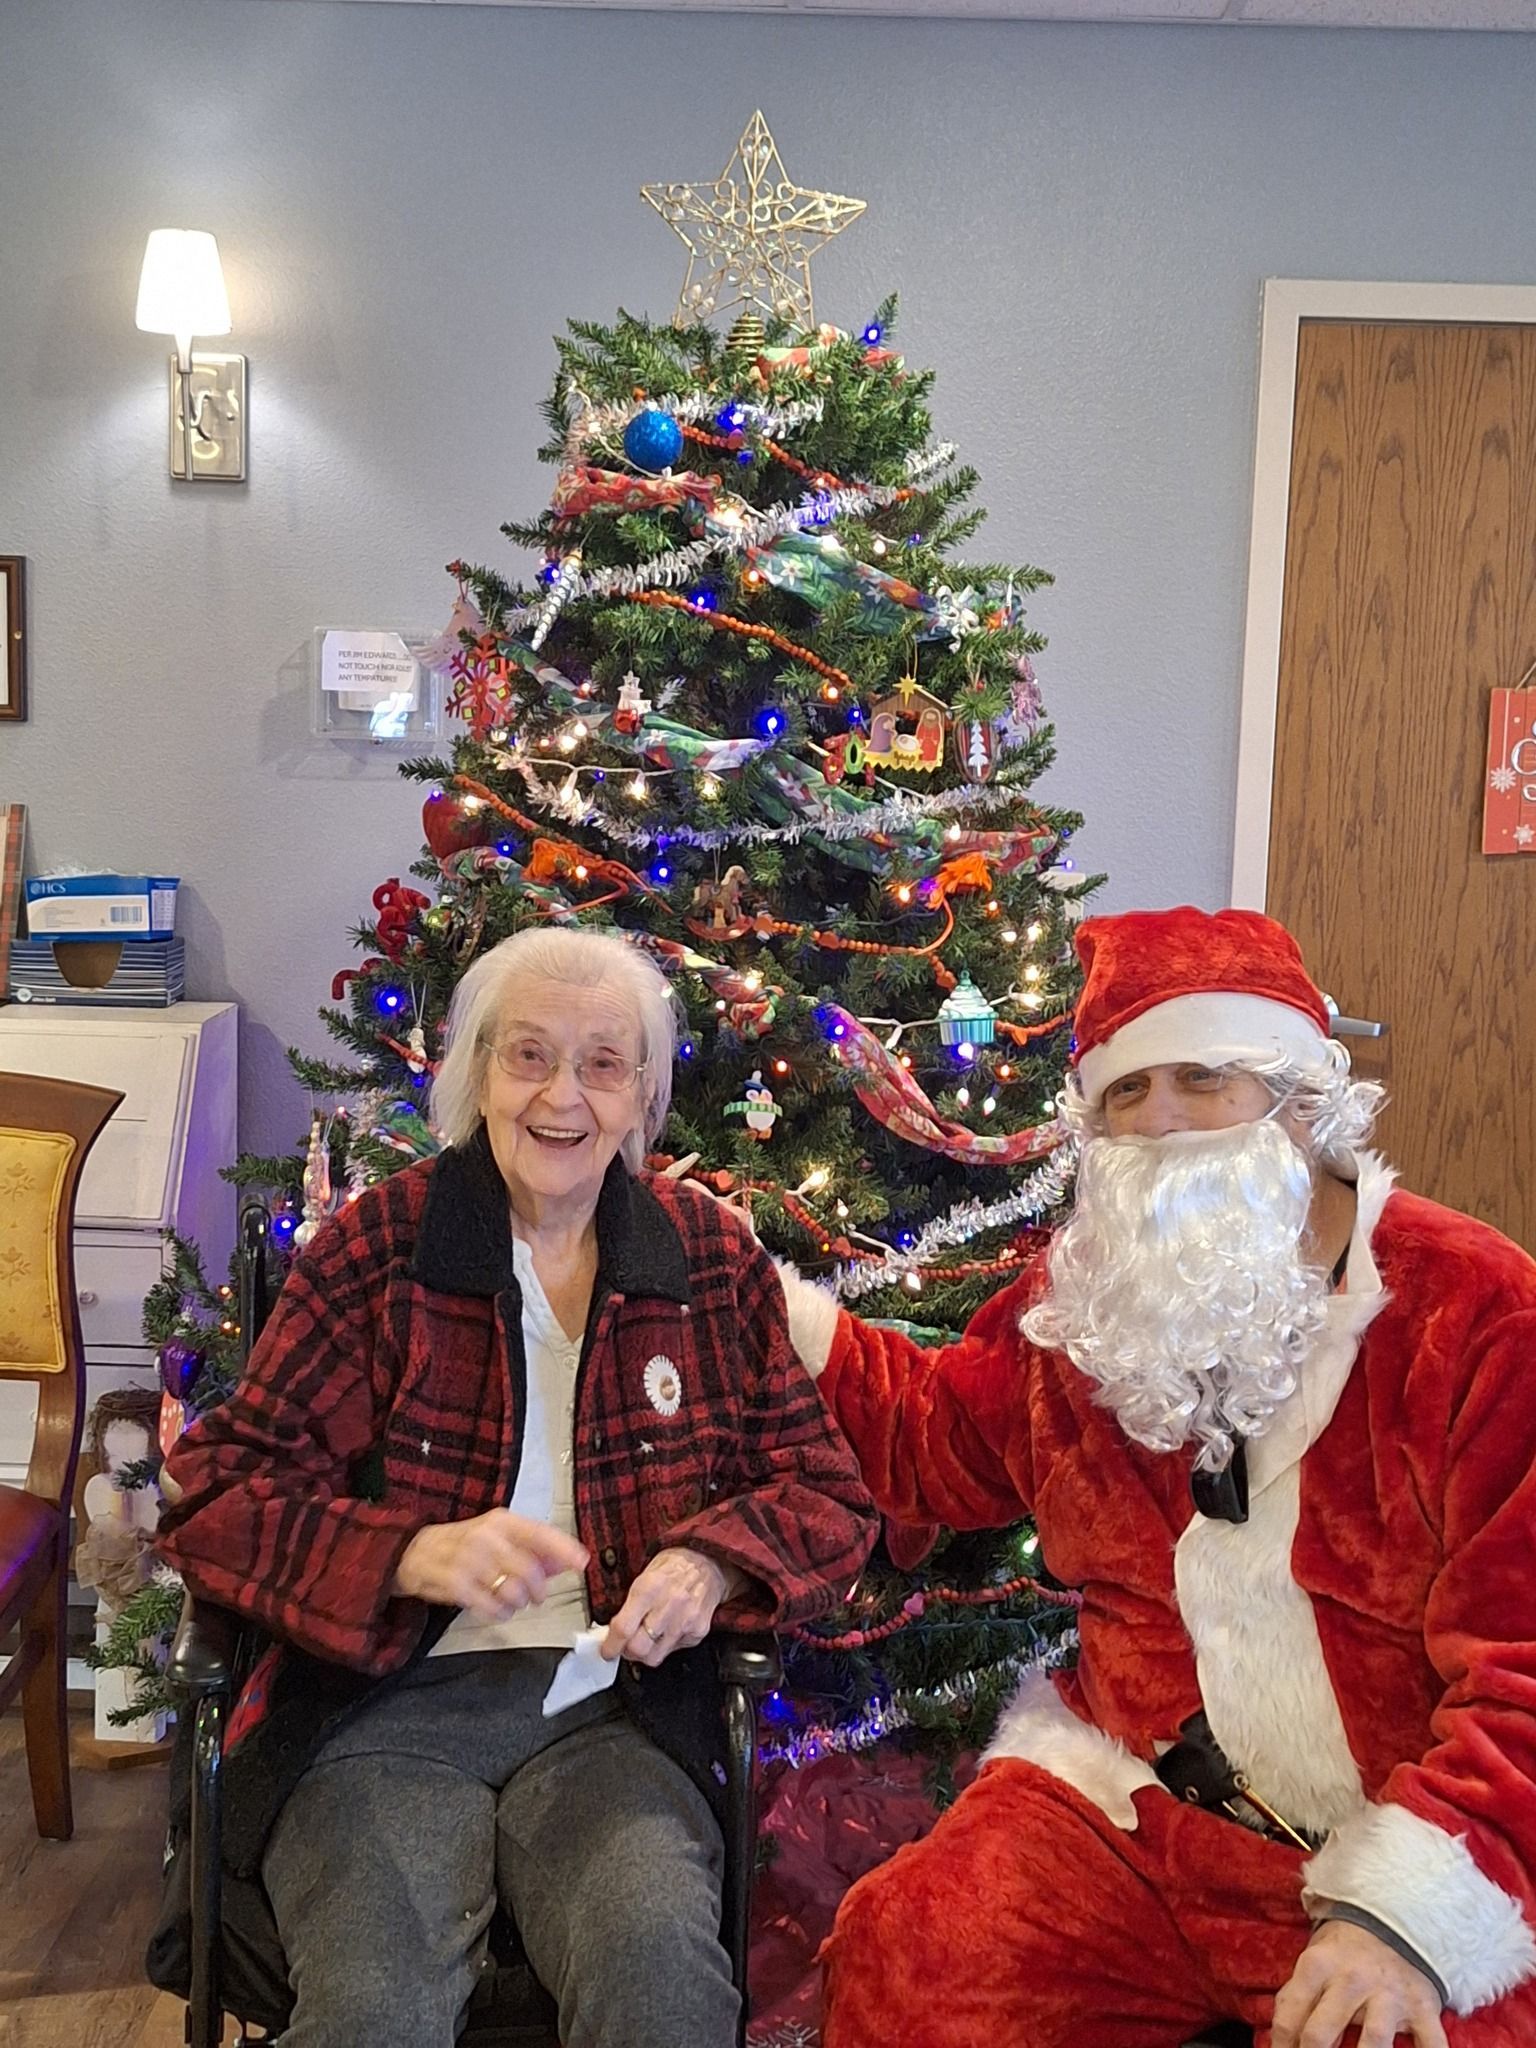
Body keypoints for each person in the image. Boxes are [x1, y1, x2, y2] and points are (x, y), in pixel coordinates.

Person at [777, 906, 1536, 2048]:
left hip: (1406, 1843)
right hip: (1130, 1809)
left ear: (1297, 1098)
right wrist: (771, 1305)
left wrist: (1402, 1917)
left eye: (1203, 1074)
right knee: (913, 1952)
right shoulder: (1093, 1304)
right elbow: (931, 1439)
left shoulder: (1476, 1312)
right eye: (1126, 1092)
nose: (1162, 1118)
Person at [152, 925, 877, 2048]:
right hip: (377, 1706)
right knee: (371, 2010)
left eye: (603, 1062)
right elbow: (213, 1494)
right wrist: (399, 1552)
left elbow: (828, 1490)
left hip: (613, 1713)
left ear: (644, 1094)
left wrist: (712, 1557)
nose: (563, 1095)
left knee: (664, 1990)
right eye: (530, 1054)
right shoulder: (375, 1249)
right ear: (477, 1072)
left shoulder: (703, 1258)